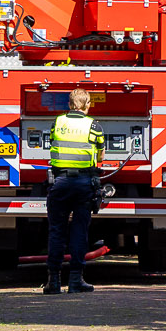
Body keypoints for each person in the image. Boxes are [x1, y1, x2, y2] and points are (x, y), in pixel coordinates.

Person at [45, 89, 104, 294]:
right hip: (83, 184)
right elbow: (101, 155)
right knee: (79, 231)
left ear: (69, 104)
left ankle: (53, 282)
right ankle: (75, 280)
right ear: (87, 104)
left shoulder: (57, 123)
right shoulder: (94, 126)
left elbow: (52, 144)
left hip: (60, 182)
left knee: (56, 231)